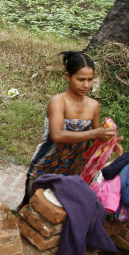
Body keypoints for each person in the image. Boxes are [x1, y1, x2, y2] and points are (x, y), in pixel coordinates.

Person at [18, 51, 124, 210]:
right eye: (81, 79)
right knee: (33, 199)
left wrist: (109, 142)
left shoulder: (93, 106)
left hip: (75, 163)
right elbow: (57, 136)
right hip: (48, 159)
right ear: (68, 76)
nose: (86, 85)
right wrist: (95, 133)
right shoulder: (58, 102)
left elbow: (95, 136)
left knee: (60, 203)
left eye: (90, 80)